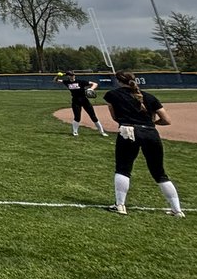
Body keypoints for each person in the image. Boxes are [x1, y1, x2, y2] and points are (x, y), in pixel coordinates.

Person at [103, 71, 185, 217]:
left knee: (123, 168)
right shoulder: (149, 97)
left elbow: (115, 116)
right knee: (159, 172)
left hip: (128, 131)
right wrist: (150, 122)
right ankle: (177, 210)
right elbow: (166, 120)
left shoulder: (112, 95)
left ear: (118, 81)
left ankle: (120, 205)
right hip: (150, 133)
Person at [54, 71, 107, 136]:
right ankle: (75, 132)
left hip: (84, 100)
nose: (72, 76)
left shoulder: (81, 81)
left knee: (93, 116)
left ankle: (102, 132)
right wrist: (58, 75)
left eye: (73, 75)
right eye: (70, 75)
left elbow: (95, 84)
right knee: (77, 117)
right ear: (68, 76)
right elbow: (56, 80)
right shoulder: (66, 82)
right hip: (76, 101)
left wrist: (91, 89)